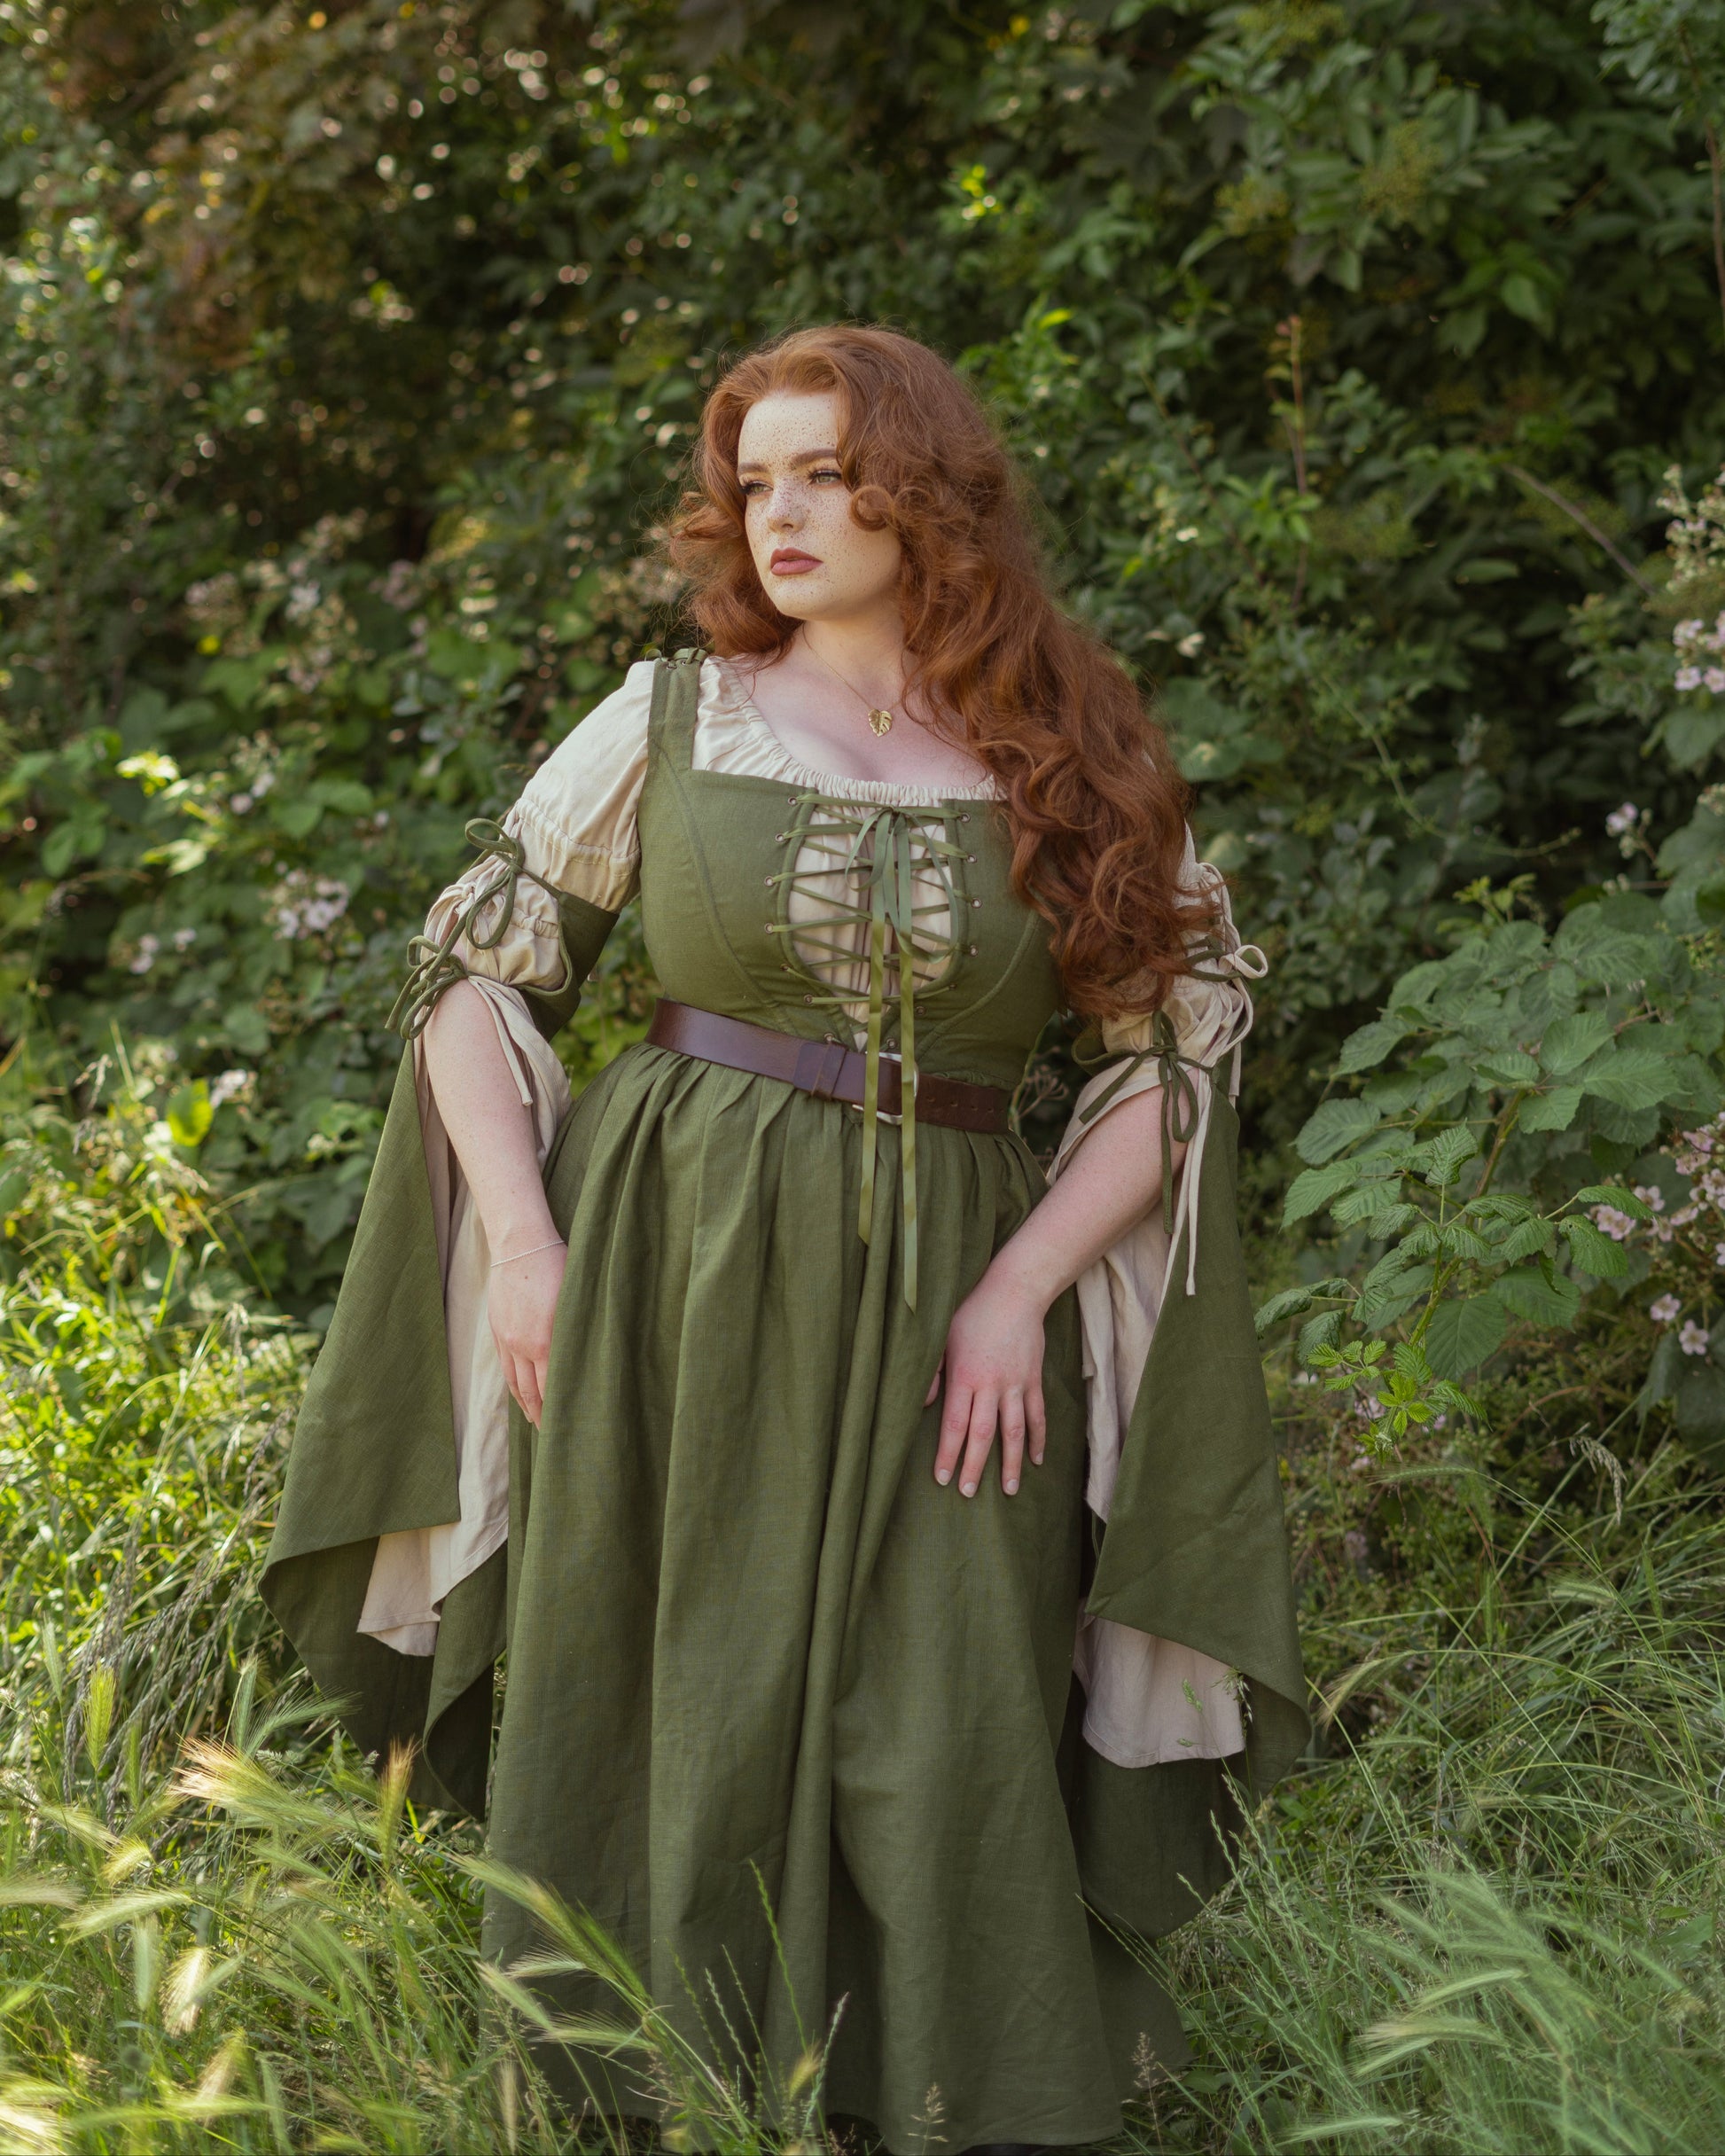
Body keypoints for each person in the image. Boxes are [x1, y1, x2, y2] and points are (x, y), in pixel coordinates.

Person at [263, 324, 1306, 2152]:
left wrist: (1019, 1289)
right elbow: (474, 982)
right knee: (674, 1671)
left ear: (931, 491)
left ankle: (958, 2100)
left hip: (956, 1295)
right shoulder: (671, 718)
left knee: (945, 1703)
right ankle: (638, 2097)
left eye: (828, 473)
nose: (783, 514)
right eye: (756, 480)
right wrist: (521, 1241)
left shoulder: (1067, 747)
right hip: (679, 1257)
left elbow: (1173, 1059)